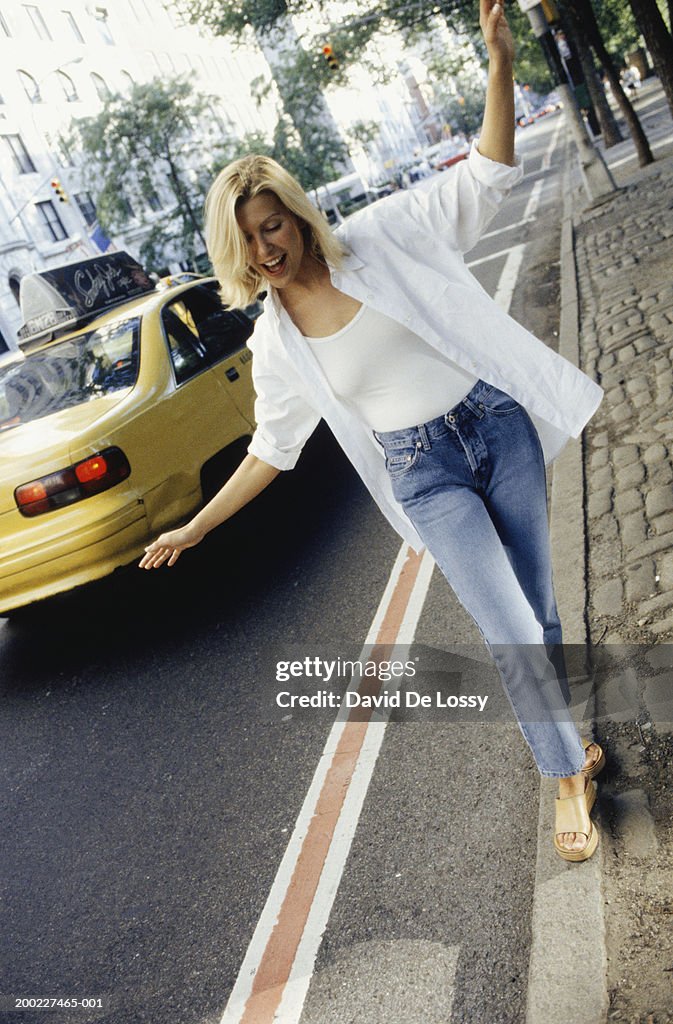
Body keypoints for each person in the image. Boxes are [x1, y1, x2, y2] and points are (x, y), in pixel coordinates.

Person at [140, 0, 606, 862]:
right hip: (422, 474)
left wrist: (498, 62)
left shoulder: (382, 236)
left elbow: (484, 176)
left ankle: (570, 743)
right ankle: (566, 776)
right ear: (232, 252)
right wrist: (195, 526)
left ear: (293, 213)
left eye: (271, 224)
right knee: (505, 625)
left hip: (492, 427)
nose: (265, 249)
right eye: (246, 241)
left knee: (537, 615)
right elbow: (271, 451)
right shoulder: (275, 343)